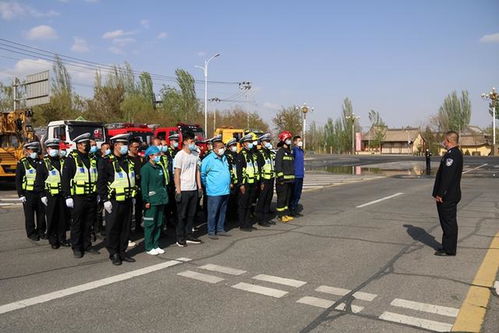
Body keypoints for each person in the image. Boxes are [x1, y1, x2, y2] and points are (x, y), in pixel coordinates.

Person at [97, 134, 137, 265]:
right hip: (113, 201)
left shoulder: (128, 160)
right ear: (115, 145)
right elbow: (101, 182)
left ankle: (122, 251)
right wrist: (104, 200)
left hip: (127, 199)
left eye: (126, 144)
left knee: (125, 227)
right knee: (113, 228)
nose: (125, 147)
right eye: (122, 144)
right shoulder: (106, 161)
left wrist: (133, 196)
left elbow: (132, 179)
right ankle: (113, 253)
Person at [61, 133, 100, 258]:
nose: (87, 146)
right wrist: (67, 196)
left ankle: (87, 245)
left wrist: (98, 193)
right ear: (78, 145)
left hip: (91, 195)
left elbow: (97, 177)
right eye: (85, 144)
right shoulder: (72, 159)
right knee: (77, 223)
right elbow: (65, 179)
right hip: (78, 197)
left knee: (89, 222)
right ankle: (77, 247)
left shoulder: (92, 158)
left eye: (88, 143)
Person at [432, 131, 463, 257]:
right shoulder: (454, 154)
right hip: (450, 194)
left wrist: (440, 194)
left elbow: (447, 177)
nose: (443, 142)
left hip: (448, 195)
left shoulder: (452, 155)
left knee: (448, 222)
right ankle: (446, 245)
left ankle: (449, 249)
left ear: (449, 141)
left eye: (444, 140)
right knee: (446, 221)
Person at [35, 139, 70, 249]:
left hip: (62, 194)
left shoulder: (62, 162)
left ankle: (62, 238)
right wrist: (42, 195)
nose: (54, 150)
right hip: (50, 195)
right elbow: (39, 180)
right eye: (52, 148)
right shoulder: (43, 163)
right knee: (51, 218)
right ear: (47, 149)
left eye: (56, 148)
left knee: (63, 218)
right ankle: (53, 240)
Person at [173, 131, 203, 247]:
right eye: (191, 141)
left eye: (194, 141)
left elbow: (197, 172)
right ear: (185, 142)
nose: (193, 143)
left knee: (191, 214)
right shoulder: (179, 155)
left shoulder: (195, 155)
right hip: (183, 189)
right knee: (182, 215)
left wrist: (199, 187)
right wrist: (178, 189)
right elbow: (177, 173)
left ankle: (189, 234)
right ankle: (180, 237)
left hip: (193, 188)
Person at [201, 137, 231, 239]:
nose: (223, 149)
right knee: (213, 212)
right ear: (214, 148)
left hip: (225, 190)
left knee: (222, 211)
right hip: (214, 191)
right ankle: (211, 231)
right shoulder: (208, 159)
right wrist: (208, 185)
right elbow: (203, 175)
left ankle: (220, 228)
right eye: (221, 147)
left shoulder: (224, 158)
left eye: (223, 147)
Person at [15, 141, 46, 241]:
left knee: (41, 214)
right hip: (28, 194)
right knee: (29, 215)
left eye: (36, 150)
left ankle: (41, 231)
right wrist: (21, 194)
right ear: (27, 151)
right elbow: (18, 180)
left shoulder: (41, 162)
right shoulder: (22, 163)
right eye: (33, 150)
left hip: (40, 193)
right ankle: (31, 233)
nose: (35, 152)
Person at [141, 146, 168, 255]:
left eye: (158, 154)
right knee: (150, 224)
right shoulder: (146, 168)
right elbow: (144, 185)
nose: (158, 157)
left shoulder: (159, 167)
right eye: (156, 155)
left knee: (158, 223)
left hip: (160, 199)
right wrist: (146, 200)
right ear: (150, 156)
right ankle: (148, 246)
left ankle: (156, 245)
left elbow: (162, 183)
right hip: (151, 201)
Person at [236, 134, 259, 232]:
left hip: (252, 183)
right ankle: (243, 224)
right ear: (244, 143)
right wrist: (241, 184)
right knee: (243, 204)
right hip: (245, 184)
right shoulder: (241, 154)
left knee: (249, 204)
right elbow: (239, 171)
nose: (251, 143)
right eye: (249, 142)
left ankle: (248, 223)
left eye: (251, 141)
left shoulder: (252, 154)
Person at [274, 131, 295, 223]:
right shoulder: (280, 152)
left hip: (289, 180)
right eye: (288, 139)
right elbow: (278, 166)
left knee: (287, 198)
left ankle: (285, 214)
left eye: (290, 139)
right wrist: (281, 178)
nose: (289, 141)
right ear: (283, 140)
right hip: (282, 181)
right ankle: (280, 215)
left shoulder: (289, 152)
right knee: (281, 198)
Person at [255, 133, 275, 226]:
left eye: (269, 141)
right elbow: (259, 168)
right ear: (262, 142)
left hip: (271, 179)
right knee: (262, 199)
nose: (268, 143)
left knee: (268, 199)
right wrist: (261, 182)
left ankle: (266, 218)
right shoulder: (260, 153)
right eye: (266, 141)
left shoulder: (270, 152)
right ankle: (260, 219)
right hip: (264, 180)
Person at [128, 138, 144, 234]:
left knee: (139, 208)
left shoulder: (140, 158)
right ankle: (128, 229)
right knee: (129, 210)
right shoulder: (126, 158)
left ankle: (138, 226)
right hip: (130, 187)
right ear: (130, 147)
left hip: (139, 186)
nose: (137, 149)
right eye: (135, 147)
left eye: (138, 147)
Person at [289, 135, 305, 217]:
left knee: (298, 194)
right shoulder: (293, 150)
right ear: (294, 142)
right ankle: (291, 210)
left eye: (300, 140)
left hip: (301, 175)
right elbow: (291, 163)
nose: (300, 142)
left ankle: (295, 209)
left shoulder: (301, 151)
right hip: (295, 175)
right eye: (299, 140)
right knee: (294, 194)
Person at [224, 138, 239, 222]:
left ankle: (234, 216)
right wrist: (230, 181)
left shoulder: (236, 154)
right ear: (229, 147)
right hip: (231, 181)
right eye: (233, 145)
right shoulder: (227, 155)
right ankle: (228, 217)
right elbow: (228, 170)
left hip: (237, 181)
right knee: (230, 201)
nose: (234, 147)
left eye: (235, 145)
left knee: (236, 200)